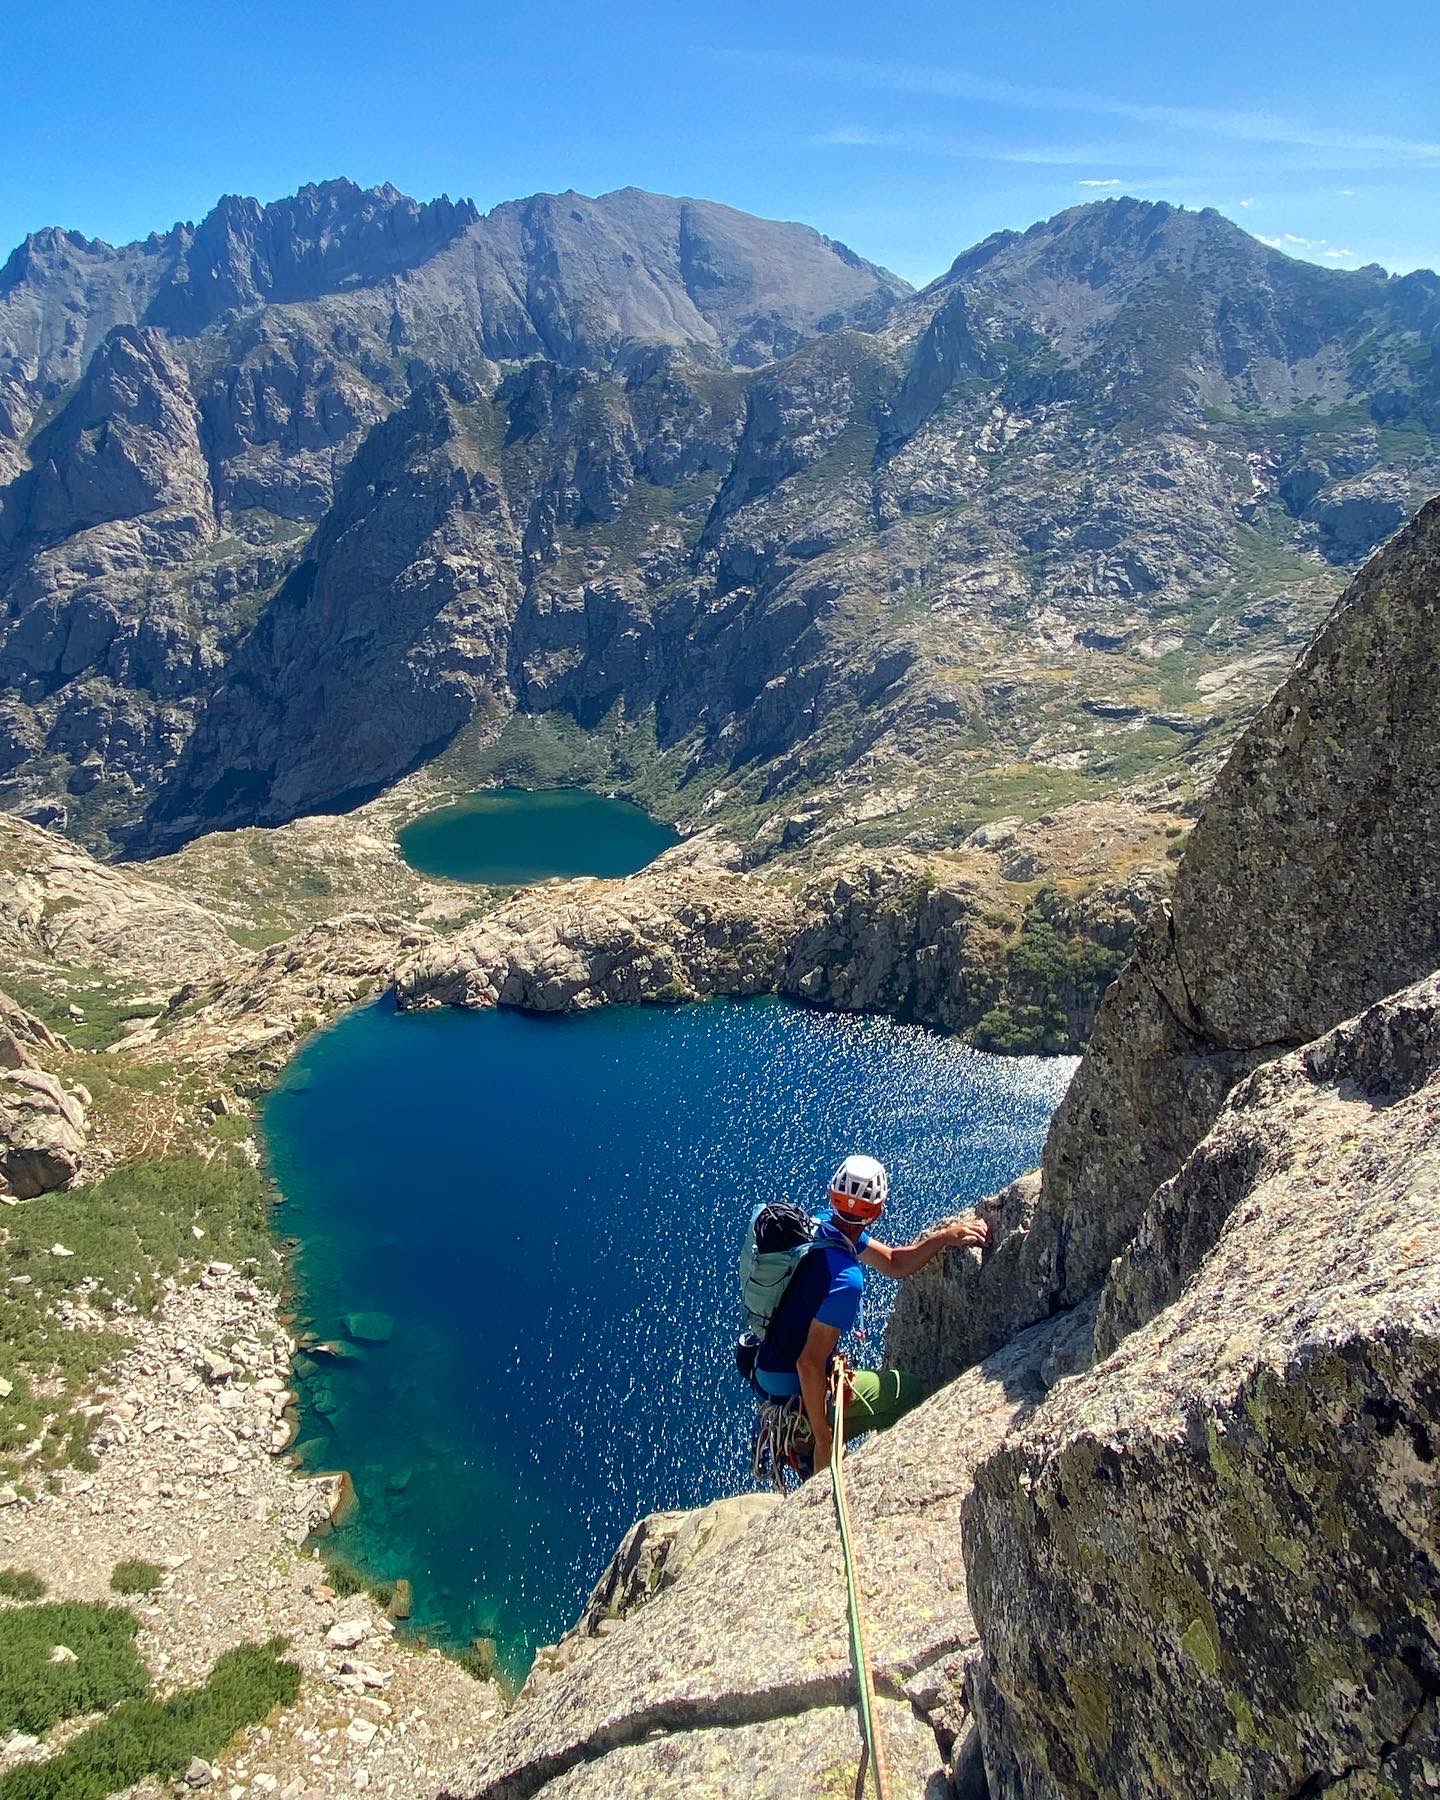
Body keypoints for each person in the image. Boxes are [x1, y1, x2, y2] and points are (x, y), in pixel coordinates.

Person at [752, 1153, 989, 1473]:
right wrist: (824, 1439)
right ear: (877, 1212)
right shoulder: (846, 1280)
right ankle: (810, 1444)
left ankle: (805, 1437)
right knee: (908, 1393)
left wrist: (943, 1239)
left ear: (833, 1196)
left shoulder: (822, 1225)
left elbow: (893, 1262)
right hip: (796, 1388)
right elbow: (808, 1363)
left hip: (768, 1374)